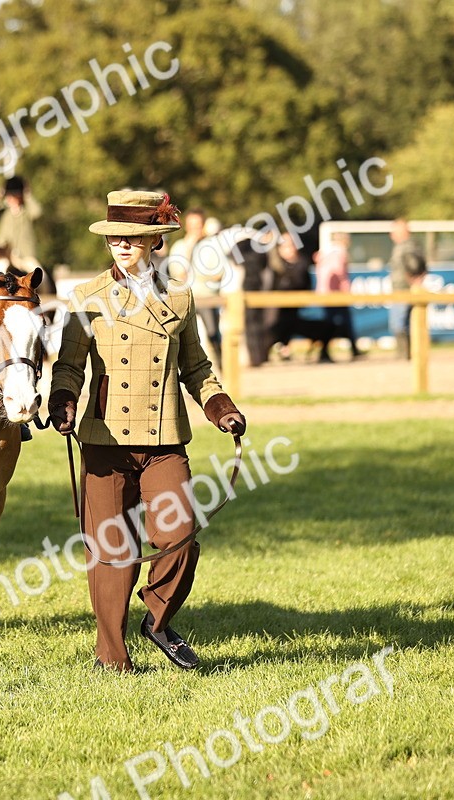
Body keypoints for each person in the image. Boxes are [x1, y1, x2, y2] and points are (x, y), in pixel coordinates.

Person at [48, 190, 246, 672]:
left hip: (163, 442)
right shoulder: (86, 298)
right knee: (112, 550)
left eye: (132, 237)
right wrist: (63, 400)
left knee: (180, 536)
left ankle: (157, 621)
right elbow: (69, 366)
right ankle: (112, 658)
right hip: (104, 441)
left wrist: (220, 407)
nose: (121, 244)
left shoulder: (179, 297)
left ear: (155, 240)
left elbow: (196, 366)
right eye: (115, 236)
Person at [166, 208, 224, 362]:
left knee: (213, 334)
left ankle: (222, 367)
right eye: (192, 225)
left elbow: (219, 274)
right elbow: (178, 276)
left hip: (207, 297)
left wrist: (204, 277)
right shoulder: (178, 247)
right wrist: (189, 249)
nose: (195, 229)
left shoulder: (212, 246)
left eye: (198, 225)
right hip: (184, 298)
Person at [0, 175, 48, 287]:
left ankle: (46, 299)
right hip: (1, 254)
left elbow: (38, 212)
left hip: (23, 256)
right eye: (9, 196)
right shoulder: (3, 211)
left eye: (15, 196)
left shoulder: (27, 212)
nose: (11, 198)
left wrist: (27, 195)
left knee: (42, 278)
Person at [314, 231, 364, 362]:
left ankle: (327, 350)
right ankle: (349, 349)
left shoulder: (325, 252)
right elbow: (339, 271)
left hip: (325, 293)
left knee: (331, 323)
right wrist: (345, 288)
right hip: (337, 294)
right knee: (341, 323)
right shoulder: (340, 252)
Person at [269, 233, 314, 359]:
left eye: (290, 245)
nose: (288, 248)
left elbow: (304, 284)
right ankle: (280, 348)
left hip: (296, 305)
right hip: (277, 306)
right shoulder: (275, 264)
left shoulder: (302, 263)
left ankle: (284, 348)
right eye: (284, 246)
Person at [387, 219, 427, 360]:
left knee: (398, 323)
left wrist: (412, 281)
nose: (391, 234)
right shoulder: (412, 245)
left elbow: (414, 265)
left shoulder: (405, 247)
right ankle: (408, 353)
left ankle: (404, 354)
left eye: (394, 231)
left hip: (403, 289)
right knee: (405, 323)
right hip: (405, 288)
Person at [233, 230, 274, 367]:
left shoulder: (242, 247)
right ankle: (259, 357)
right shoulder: (260, 250)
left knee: (248, 325)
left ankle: (253, 358)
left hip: (243, 290)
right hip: (257, 289)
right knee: (258, 324)